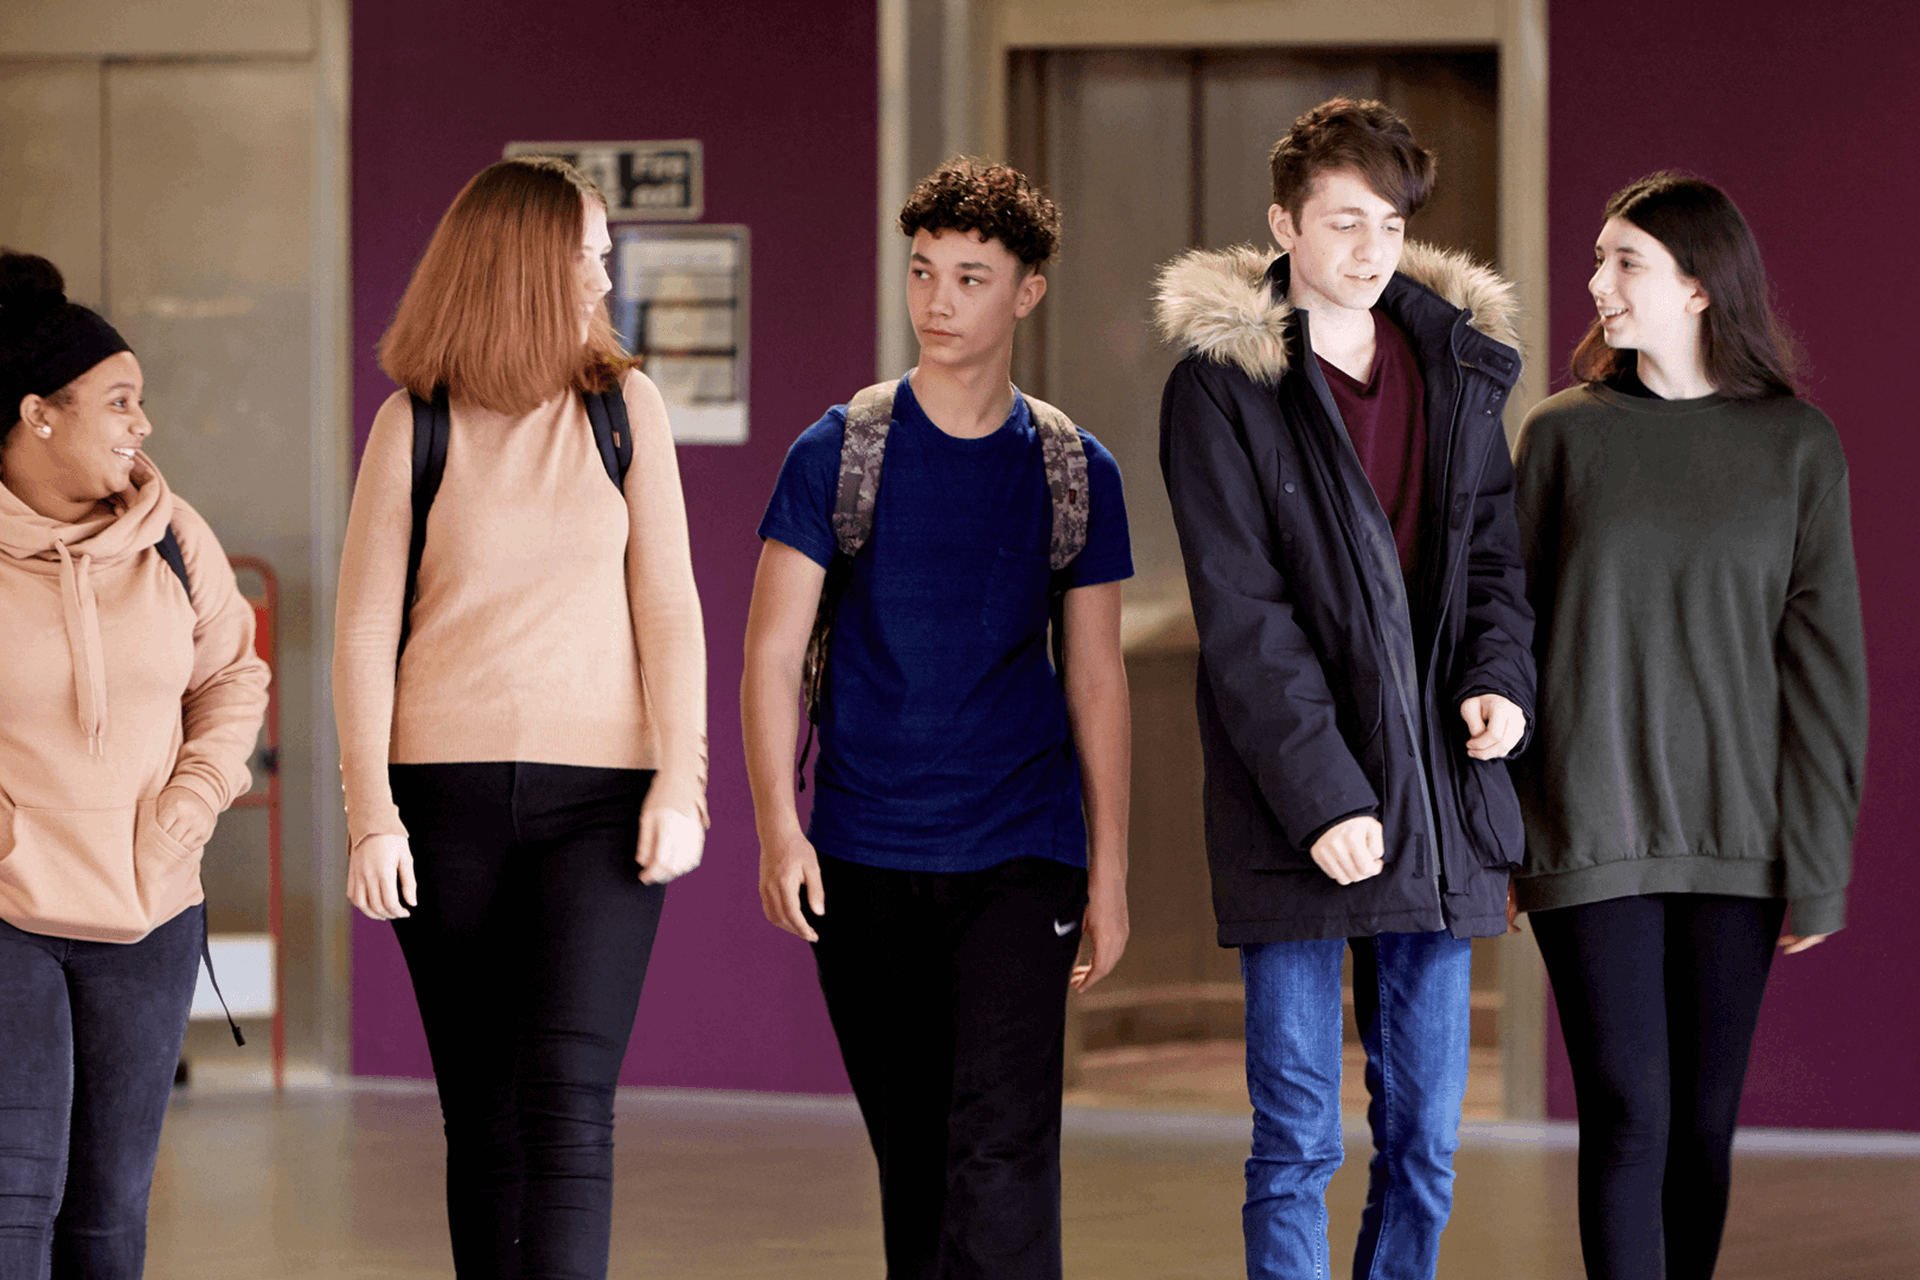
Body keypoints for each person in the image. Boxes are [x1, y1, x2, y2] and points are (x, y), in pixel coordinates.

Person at [1154, 98, 1534, 1279]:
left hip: (1441, 808)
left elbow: (1491, 562)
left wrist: (1499, 682)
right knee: (1299, 1142)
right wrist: (1325, 797)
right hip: (1295, 811)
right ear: (1284, 224)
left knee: (1424, 1147)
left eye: (1390, 223)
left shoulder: (1456, 367)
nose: (1372, 249)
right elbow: (1245, 617)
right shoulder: (1224, 385)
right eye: (1343, 221)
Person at [742, 157, 1133, 1280]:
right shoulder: (837, 453)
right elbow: (770, 654)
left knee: (1002, 1146)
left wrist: (1107, 871)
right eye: (924, 272)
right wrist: (780, 826)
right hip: (865, 857)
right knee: (915, 1156)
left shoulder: (1072, 470)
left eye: (971, 275)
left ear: (1026, 292)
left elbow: (1097, 676)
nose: (940, 299)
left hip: (1022, 850)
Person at [332, 157, 707, 1279]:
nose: (605, 270)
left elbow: (673, 610)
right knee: (482, 1116)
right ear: (523, 264)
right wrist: (370, 816)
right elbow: (360, 631)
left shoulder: (625, 409)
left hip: (601, 804)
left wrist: (680, 784)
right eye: (589, 249)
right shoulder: (415, 423)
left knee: (570, 1108)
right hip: (438, 803)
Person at [1509, 173, 1867, 1280]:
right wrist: (1508, 830)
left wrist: (1817, 861)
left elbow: (1824, 671)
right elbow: (1503, 640)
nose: (1595, 282)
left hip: (1739, 840)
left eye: (1625, 262)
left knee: (1702, 1127)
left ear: (1701, 287)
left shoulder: (1798, 447)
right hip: (1587, 829)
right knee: (1627, 1113)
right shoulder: (1564, 437)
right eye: (1599, 259)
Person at [0, 250, 271, 1278]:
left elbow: (233, 678)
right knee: (13, 1196)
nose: (141, 423)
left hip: (150, 909)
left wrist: (193, 803)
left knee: (109, 1211)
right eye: (119, 400)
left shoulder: (173, 537)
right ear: (37, 413)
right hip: (7, 907)